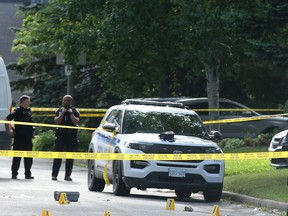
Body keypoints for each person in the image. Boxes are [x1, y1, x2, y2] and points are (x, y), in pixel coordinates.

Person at [5, 95, 34, 179]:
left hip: (28, 137)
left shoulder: (29, 111)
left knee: (28, 157)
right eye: (27, 101)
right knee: (17, 157)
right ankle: (14, 173)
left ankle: (27, 174)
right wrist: (9, 131)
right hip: (19, 137)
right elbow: (7, 120)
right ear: (23, 102)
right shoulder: (17, 111)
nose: (29, 103)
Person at [52, 95, 80, 181]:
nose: (64, 102)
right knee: (57, 156)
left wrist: (71, 113)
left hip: (71, 136)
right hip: (60, 136)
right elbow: (57, 121)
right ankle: (54, 175)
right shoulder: (59, 110)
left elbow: (76, 122)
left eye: (66, 101)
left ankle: (67, 175)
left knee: (70, 157)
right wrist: (63, 113)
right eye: (63, 100)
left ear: (70, 102)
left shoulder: (75, 111)